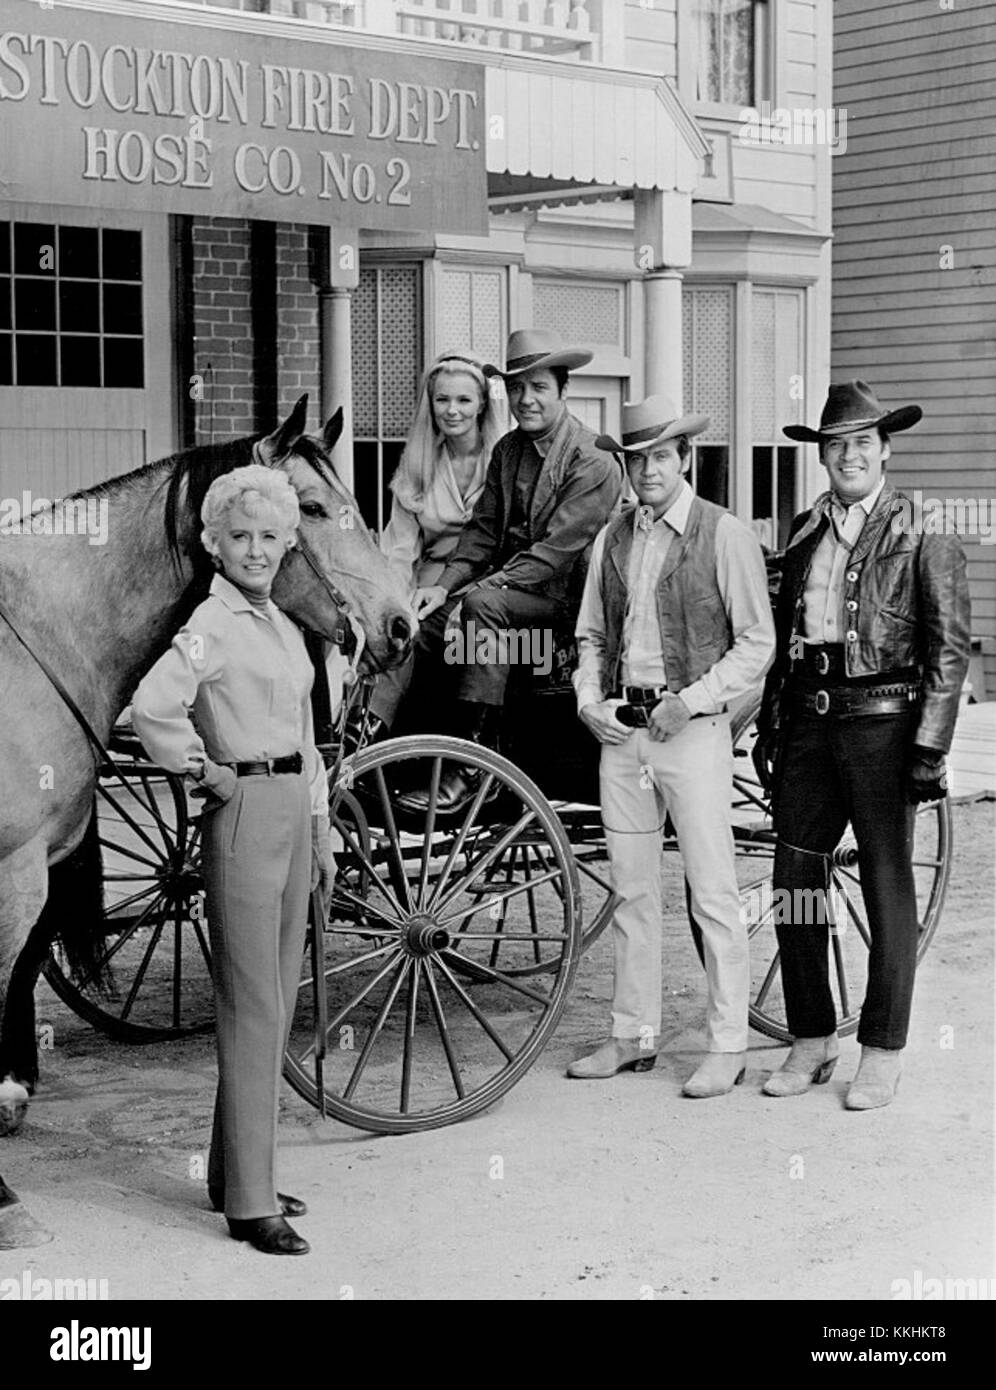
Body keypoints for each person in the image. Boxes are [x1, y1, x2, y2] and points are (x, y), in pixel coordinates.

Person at [132, 464, 335, 1255]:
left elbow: (306, 736)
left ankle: (235, 1171)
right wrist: (202, 771)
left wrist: (320, 831)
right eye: (240, 537)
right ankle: (250, 1204)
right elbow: (153, 706)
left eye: (269, 538)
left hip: (291, 806)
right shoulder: (210, 624)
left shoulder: (282, 624)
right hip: (243, 809)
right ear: (214, 544)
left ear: (288, 544)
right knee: (253, 1004)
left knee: (276, 1002)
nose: (256, 550)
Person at [755, 381, 970, 1109]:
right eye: (835, 445)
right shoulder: (804, 530)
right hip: (810, 723)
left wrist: (931, 747)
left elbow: (949, 648)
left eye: (861, 443)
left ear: (885, 450)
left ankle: (881, 1049)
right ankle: (812, 1039)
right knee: (797, 884)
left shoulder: (922, 529)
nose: (848, 455)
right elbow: (784, 643)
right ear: (822, 457)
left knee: (886, 884)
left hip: (884, 724)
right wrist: (771, 725)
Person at [567, 395, 775, 1097]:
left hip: (693, 732)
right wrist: (589, 699)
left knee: (712, 892)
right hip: (624, 733)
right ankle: (634, 1034)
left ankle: (727, 1043)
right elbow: (590, 634)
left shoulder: (723, 534)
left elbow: (758, 644)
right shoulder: (613, 538)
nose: (647, 469)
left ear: (684, 458)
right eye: (635, 458)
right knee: (631, 889)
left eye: (660, 455)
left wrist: (691, 700)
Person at [396, 328, 621, 813]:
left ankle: (475, 765)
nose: (526, 399)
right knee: (420, 627)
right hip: (508, 601)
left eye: (538, 387)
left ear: (563, 390)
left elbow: (552, 556)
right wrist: (440, 591)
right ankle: (401, 756)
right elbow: (480, 533)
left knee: (481, 607)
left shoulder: (593, 459)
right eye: (517, 388)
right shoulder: (509, 450)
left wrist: (474, 592)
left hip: (563, 610)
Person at [356, 352, 506, 741]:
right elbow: (401, 549)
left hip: (486, 584)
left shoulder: (502, 461)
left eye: (463, 400)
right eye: (442, 400)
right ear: (431, 402)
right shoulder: (418, 462)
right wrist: (396, 602)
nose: (452, 410)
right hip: (426, 582)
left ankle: (465, 744)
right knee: (398, 629)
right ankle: (366, 729)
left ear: (481, 405)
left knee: (442, 635)